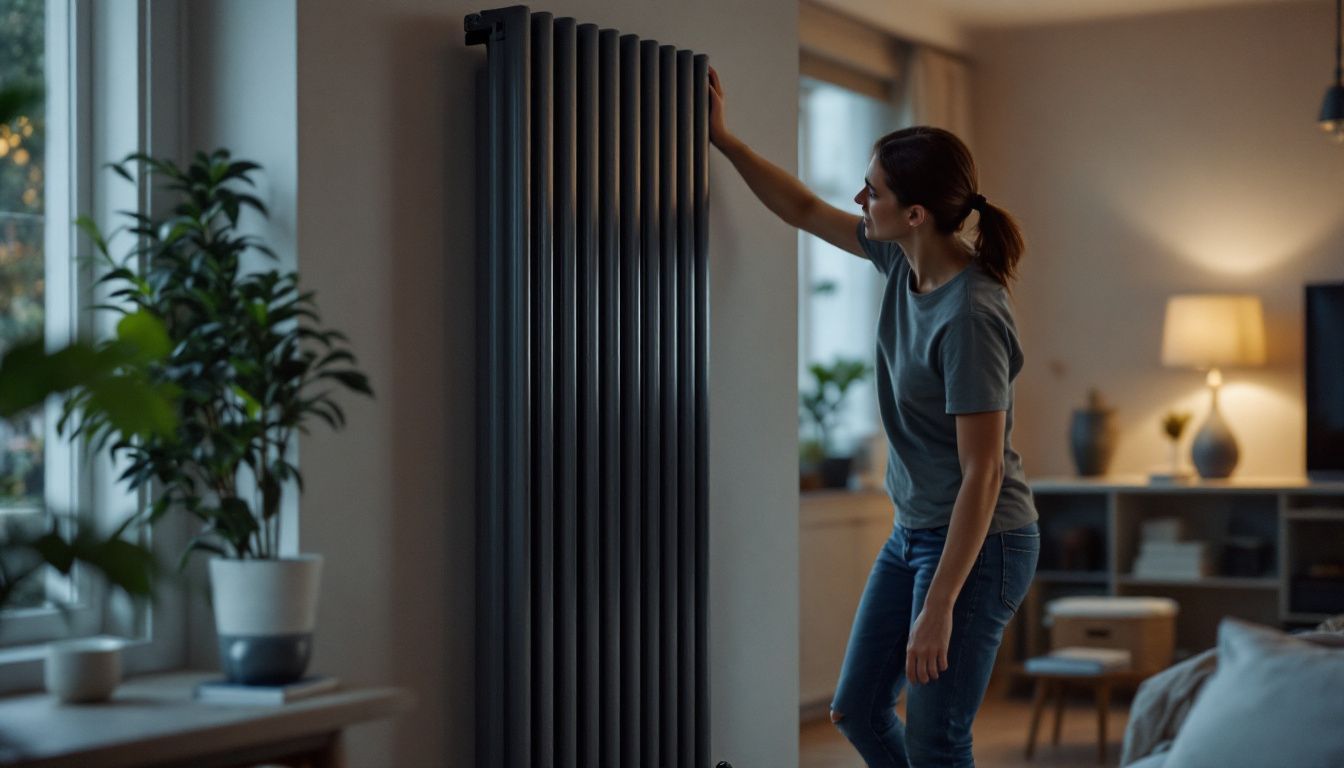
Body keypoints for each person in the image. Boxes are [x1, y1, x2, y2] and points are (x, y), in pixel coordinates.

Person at [707, 66, 1041, 767]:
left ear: (915, 213)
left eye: (875, 190)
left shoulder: (972, 315)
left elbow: (982, 473)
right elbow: (802, 208)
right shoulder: (897, 261)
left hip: (982, 546)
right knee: (857, 708)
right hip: (914, 531)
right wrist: (723, 141)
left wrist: (941, 604)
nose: (860, 198)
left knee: (935, 737)